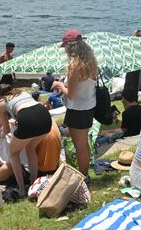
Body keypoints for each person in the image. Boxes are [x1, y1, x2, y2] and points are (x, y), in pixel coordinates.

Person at [52, 29, 97, 182]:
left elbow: (70, 94)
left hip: (77, 108)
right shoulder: (91, 62)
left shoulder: (74, 66)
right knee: (83, 143)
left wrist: (59, 84)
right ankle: (85, 173)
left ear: (70, 47)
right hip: (88, 106)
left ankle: (83, 177)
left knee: (80, 145)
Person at [0, 84, 52, 193]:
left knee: (14, 153)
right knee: (30, 148)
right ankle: (34, 184)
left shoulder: (1, 103)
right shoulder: (22, 92)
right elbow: (26, 108)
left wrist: (1, 135)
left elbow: (6, 129)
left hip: (28, 119)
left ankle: (21, 189)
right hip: (45, 117)